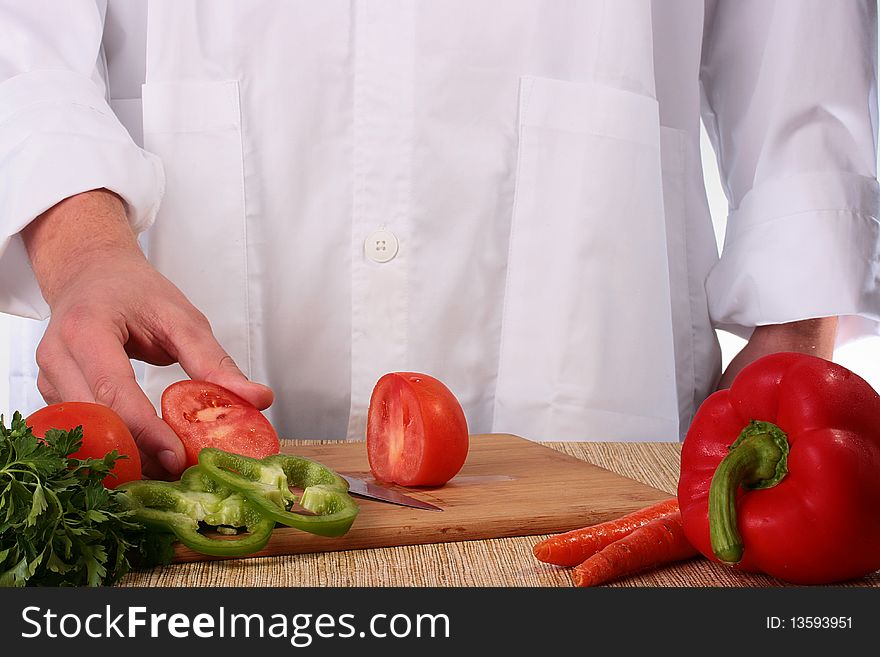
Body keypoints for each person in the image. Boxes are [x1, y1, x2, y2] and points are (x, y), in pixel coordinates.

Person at [0, 1, 876, 480]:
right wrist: (81, 247)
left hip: (600, 344)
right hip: (161, 349)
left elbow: (803, 31)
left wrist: (795, 328)